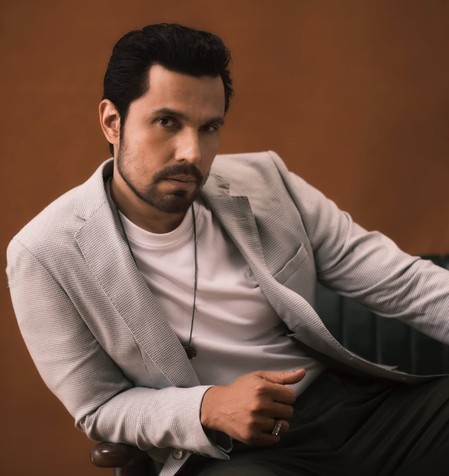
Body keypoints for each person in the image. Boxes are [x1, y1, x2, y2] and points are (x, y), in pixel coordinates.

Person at [6, 23, 449, 476]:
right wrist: (206, 406)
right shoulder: (44, 253)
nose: (192, 152)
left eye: (209, 127)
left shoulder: (268, 183)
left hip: (359, 411)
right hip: (232, 450)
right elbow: (98, 406)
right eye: (167, 122)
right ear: (112, 122)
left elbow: (403, 282)